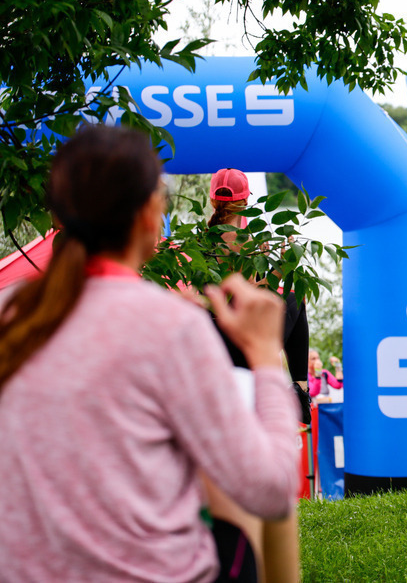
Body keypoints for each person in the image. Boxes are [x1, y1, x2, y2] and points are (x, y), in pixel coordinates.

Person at [0, 126, 298, 582]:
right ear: (147, 214)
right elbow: (273, 491)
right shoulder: (173, 326)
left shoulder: (11, 311)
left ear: (56, 216)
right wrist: (262, 355)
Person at [208, 169, 311, 414]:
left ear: (212, 200)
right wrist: (282, 268)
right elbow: (246, 301)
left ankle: (300, 390)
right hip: (239, 346)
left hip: (213, 341)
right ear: (245, 202)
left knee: (291, 295)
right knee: (296, 295)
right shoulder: (241, 240)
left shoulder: (202, 239)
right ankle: (301, 388)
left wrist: (262, 263)